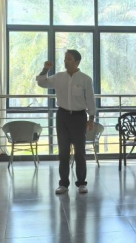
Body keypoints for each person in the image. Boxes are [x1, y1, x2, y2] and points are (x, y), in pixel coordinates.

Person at [36, 50, 96, 195]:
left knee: (80, 151)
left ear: (77, 62)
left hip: (79, 117)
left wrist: (91, 119)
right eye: (65, 59)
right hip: (62, 116)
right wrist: (45, 69)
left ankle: (81, 183)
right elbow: (41, 82)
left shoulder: (85, 79)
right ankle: (63, 184)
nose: (65, 61)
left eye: (69, 59)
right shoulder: (59, 77)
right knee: (63, 152)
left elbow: (91, 100)